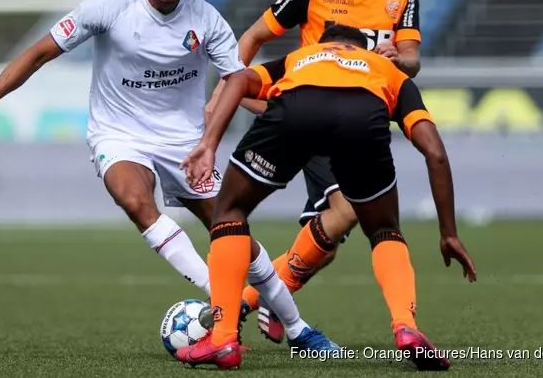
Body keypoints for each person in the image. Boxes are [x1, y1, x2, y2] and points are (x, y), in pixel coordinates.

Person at [0, 0, 337, 353]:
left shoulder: (208, 21)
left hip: (184, 143)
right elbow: (39, 51)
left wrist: (237, 134)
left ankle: (299, 330)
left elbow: (238, 82)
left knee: (234, 231)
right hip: (118, 134)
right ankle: (221, 303)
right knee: (136, 200)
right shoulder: (111, 4)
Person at [176, 24, 476, 371]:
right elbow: (435, 153)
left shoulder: (302, 57)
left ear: (325, 45)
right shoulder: (388, 71)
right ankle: (405, 326)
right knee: (384, 230)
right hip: (362, 120)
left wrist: (209, 144)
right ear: (363, 49)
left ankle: (223, 338)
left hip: (298, 110)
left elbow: (240, 80)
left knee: (229, 212)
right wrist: (449, 233)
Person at [206, 0, 424, 342]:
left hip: (360, 119)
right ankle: (259, 298)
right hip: (310, 114)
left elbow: (413, 58)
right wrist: (227, 92)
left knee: (328, 234)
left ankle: (259, 297)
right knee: (346, 215)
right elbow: (252, 36)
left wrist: (396, 60)